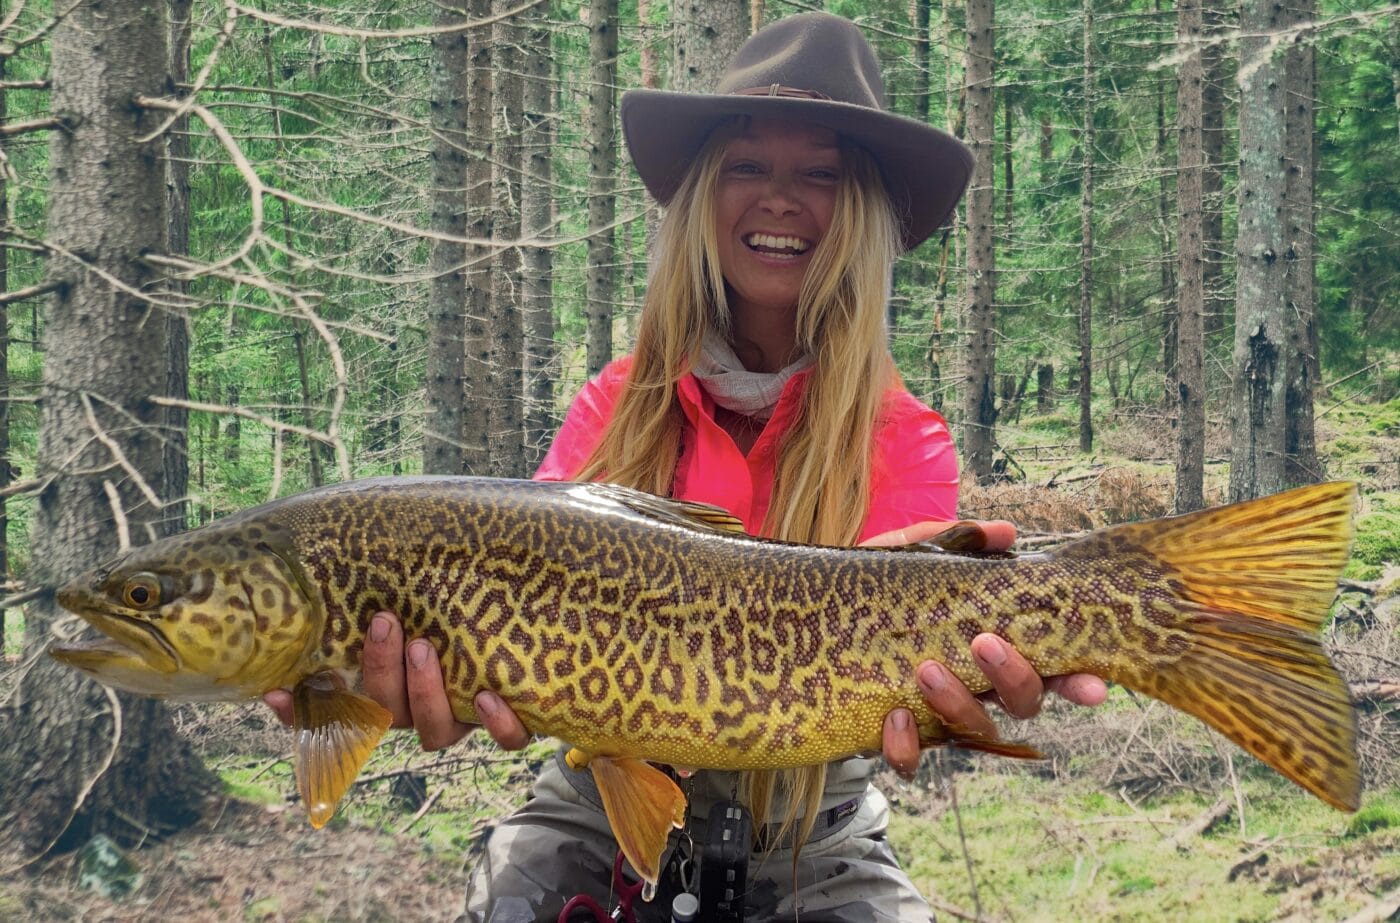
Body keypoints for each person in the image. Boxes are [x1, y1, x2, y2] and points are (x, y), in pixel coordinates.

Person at [267, 12, 1106, 921]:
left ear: (859, 209)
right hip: (591, 810)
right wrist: (421, 690)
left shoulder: (905, 437)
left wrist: (965, 679)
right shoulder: (613, 404)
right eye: (746, 165)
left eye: (819, 173)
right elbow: (513, 610)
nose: (779, 198)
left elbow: (908, 669)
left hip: (813, 835)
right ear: (704, 196)